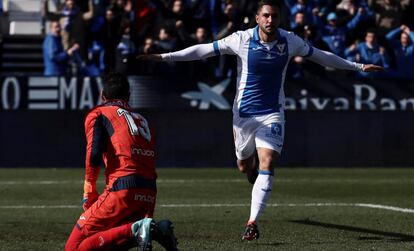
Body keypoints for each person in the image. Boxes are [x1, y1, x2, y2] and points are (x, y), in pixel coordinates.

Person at [137, 0, 383, 241]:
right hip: (243, 115)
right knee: (244, 165)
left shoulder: (290, 40)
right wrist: (164, 56)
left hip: (272, 113)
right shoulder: (241, 39)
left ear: (279, 19)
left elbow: (321, 56)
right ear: (257, 18)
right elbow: (203, 50)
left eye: (274, 16)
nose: (270, 20)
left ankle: (252, 222)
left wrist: (358, 66)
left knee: (268, 162)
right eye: (265, 15)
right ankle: (251, 173)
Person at [65, 72, 178, 251]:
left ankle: (139, 229)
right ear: (128, 97)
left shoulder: (99, 113)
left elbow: (94, 154)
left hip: (123, 188)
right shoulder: (142, 119)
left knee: (73, 247)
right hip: (148, 191)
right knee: (108, 240)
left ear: (103, 95)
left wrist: (89, 189)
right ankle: (157, 231)